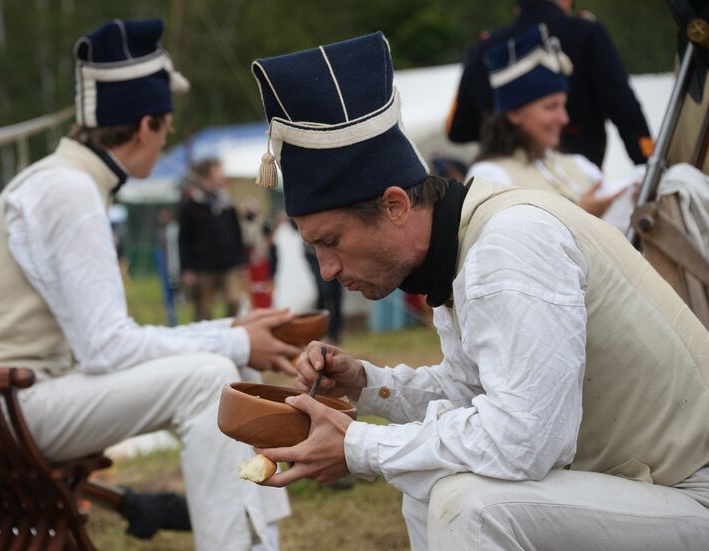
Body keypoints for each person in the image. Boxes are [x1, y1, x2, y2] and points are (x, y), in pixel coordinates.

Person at [249, 32, 709, 550]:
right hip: (647, 488)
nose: (326, 270)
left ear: (397, 205)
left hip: (693, 494)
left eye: (330, 242)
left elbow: (525, 441)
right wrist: (366, 383)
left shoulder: (507, 245)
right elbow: (479, 394)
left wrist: (360, 446)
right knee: (429, 483)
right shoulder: (469, 240)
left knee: (467, 505)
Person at [0, 19, 299, 551]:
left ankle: (258, 543)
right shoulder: (69, 191)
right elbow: (107, 349)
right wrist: (231, 338)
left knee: (233, 368)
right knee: (212, 380)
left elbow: (108, 340)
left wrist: (232, 330)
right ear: (145, 125)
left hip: (3, 404)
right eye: (167, 129)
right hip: (7, 408)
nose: (166, 142)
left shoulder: (63, 181)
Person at [465, 24, 634, 231]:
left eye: (563, 105)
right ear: (514, 113)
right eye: (550, 106)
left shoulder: (580, 165)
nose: (564, 118)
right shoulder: (490, 177)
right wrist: (581, 214)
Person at [447, 0, 653, 167]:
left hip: (508, 187)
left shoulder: (484, 48)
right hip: (582, 182)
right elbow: (624, 107)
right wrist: (647, 161)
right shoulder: (586, 32)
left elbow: (458, 129)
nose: (562, 118)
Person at [179, 157, 248, 320]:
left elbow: (237, 233)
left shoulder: (227, 203)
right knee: (204, 311)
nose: (221, 178)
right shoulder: (190, 206)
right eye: (217, 175)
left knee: (235, 300)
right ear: (206, 178)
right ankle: (205, 341)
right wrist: (187, 268)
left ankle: (228, 331)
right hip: (203, 267)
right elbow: (184, 240)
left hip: (229, 263)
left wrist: (242, 260)